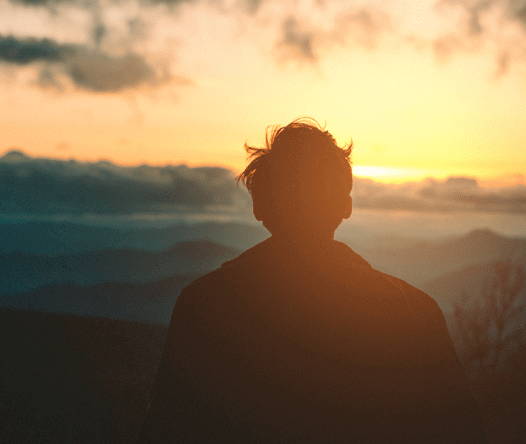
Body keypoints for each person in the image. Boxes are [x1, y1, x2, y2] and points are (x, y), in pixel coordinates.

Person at [137, 119, 486, 443]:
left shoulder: (204, 306)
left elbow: (166, 431)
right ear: (345, 206)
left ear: (259, 205)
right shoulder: (413, 311)